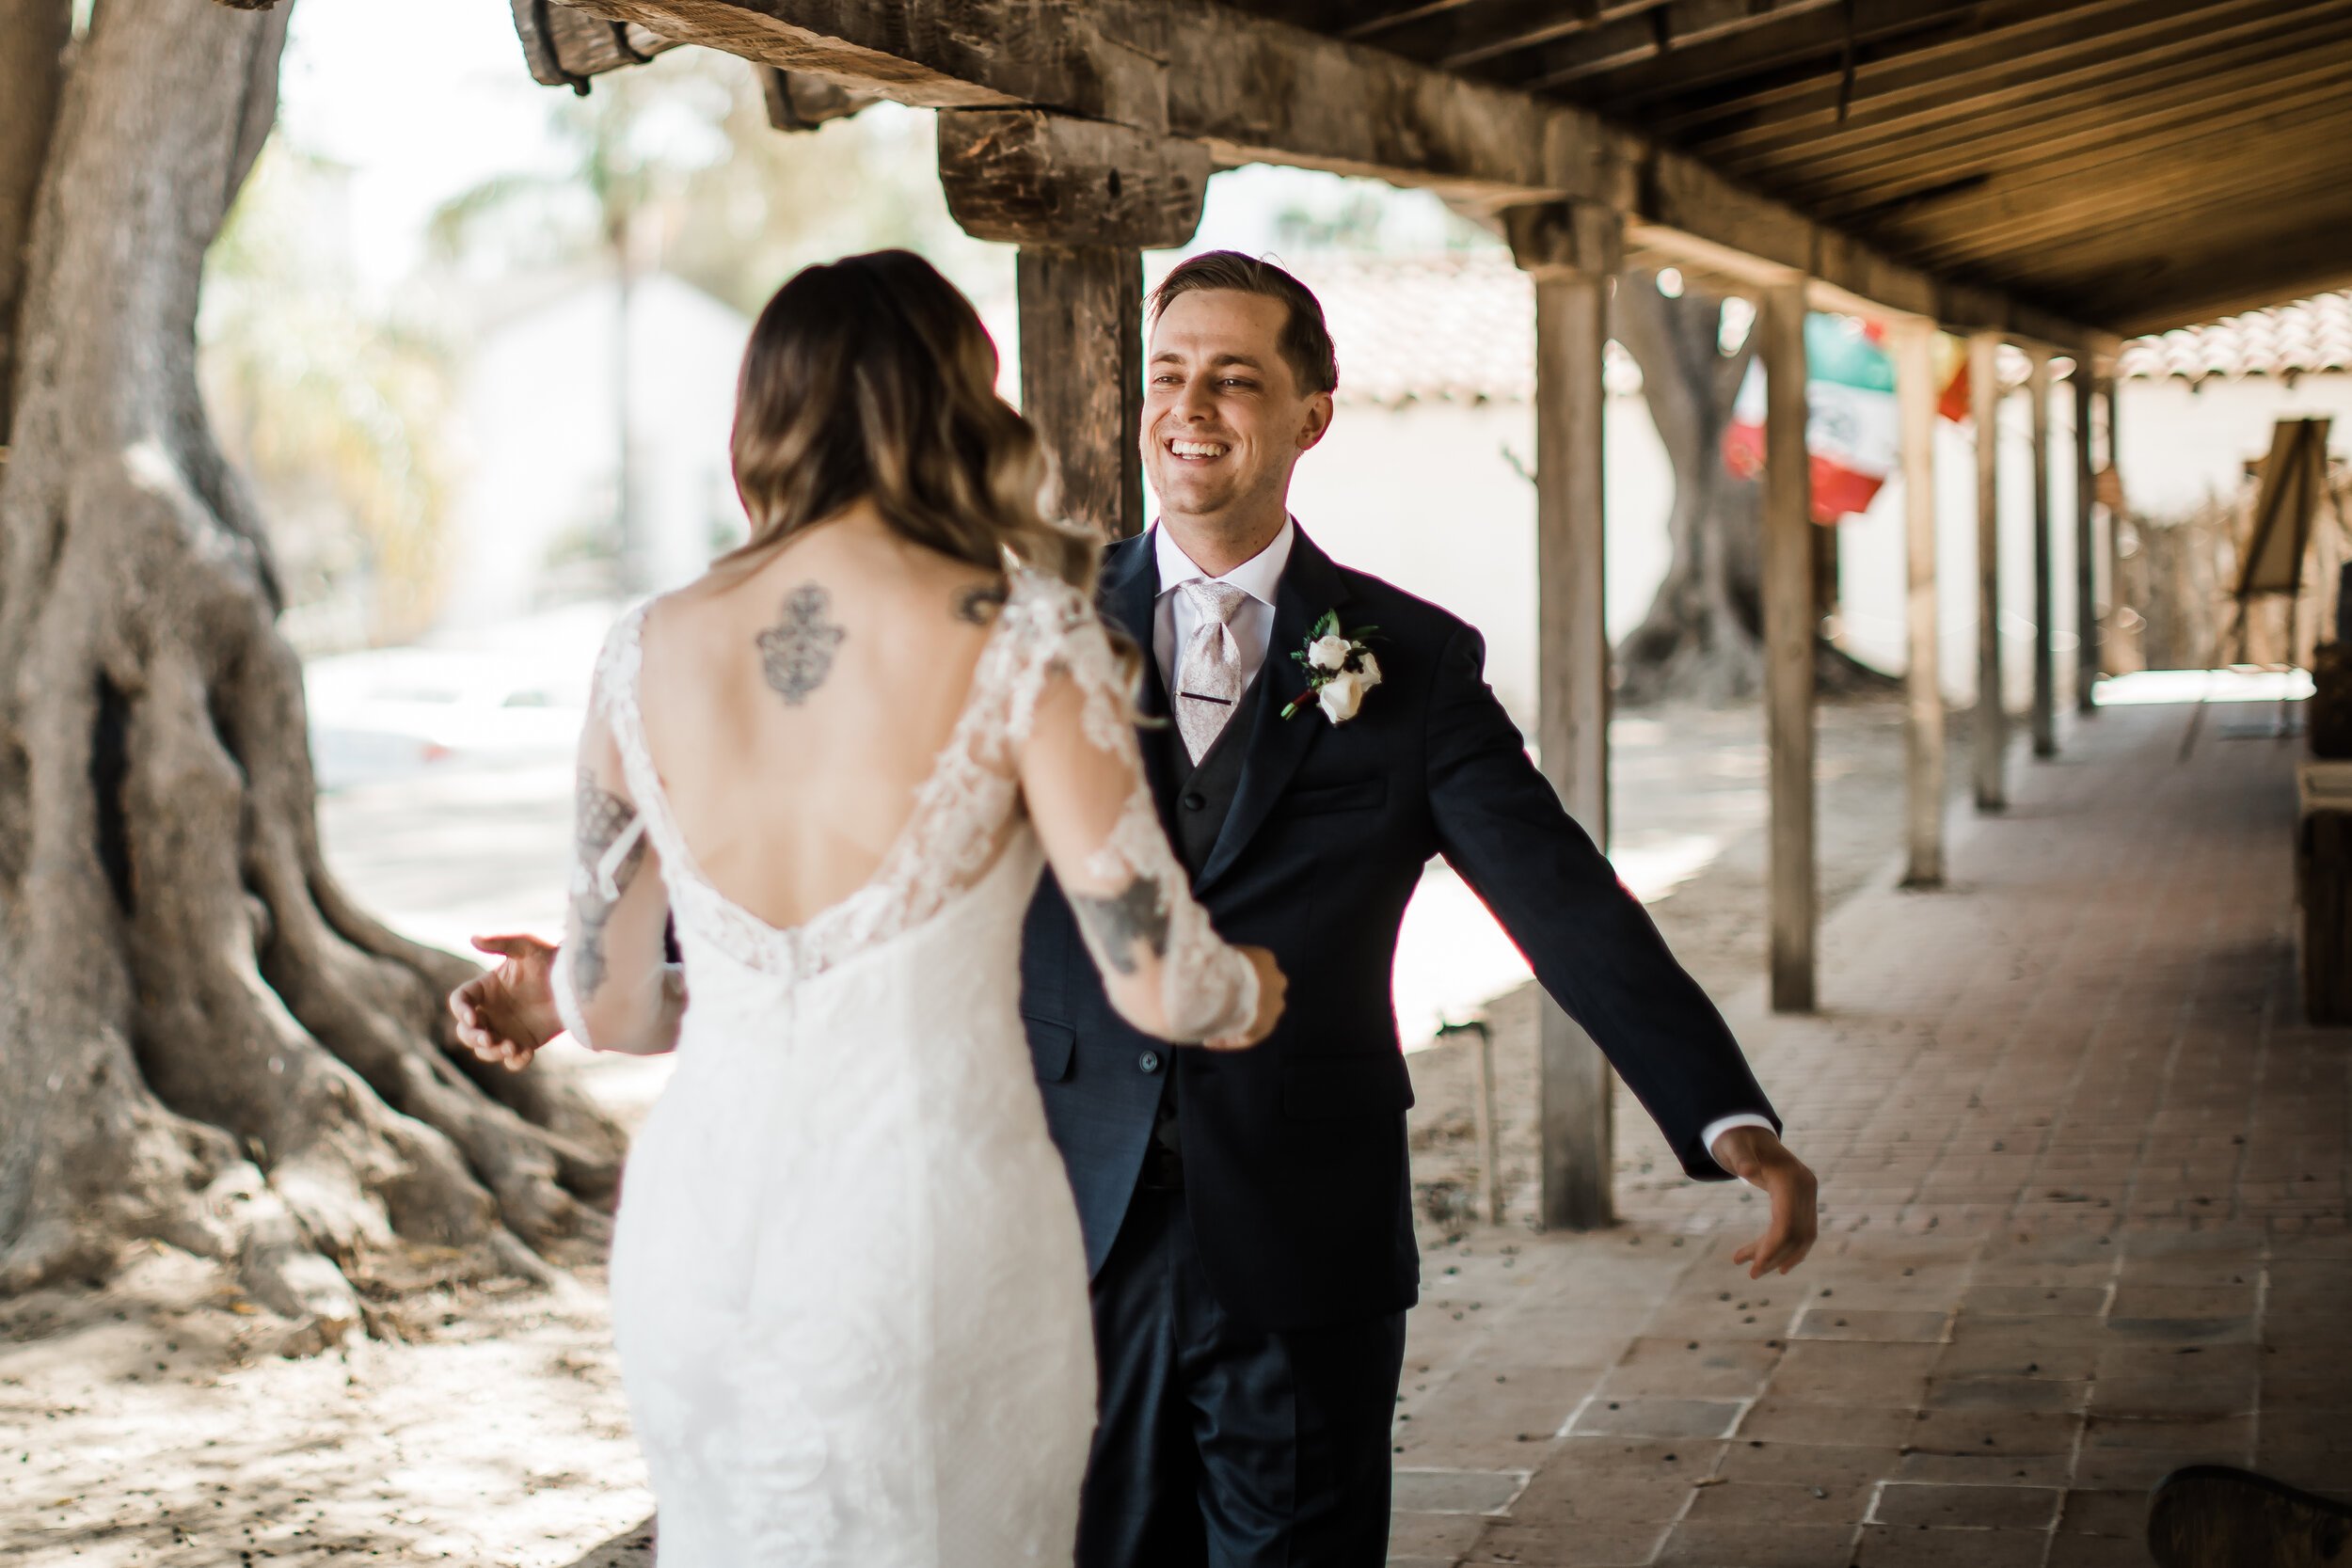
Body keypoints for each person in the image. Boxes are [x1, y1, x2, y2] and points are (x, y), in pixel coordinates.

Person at [458, 250, 1818, 1567]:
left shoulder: (1411, 661)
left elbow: (1561, 896)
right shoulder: (1028, 623)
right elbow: (864, 864)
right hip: (1053, 1219)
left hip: (1301, 1226)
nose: (1192, 408)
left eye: (1234, 378)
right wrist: (569, 988)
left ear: (1310, 414)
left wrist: (1721, 1111)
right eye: (1169, 374)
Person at [458, 249, 1284, 1566]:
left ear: (763, 420)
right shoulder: (1024, 634)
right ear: (958, 407)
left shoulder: (644, 645)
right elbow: (1157, 978)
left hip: (702, 1235)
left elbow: (611, 1010)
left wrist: (579, 990)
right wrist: (1251, 985)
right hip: (930, 1230)